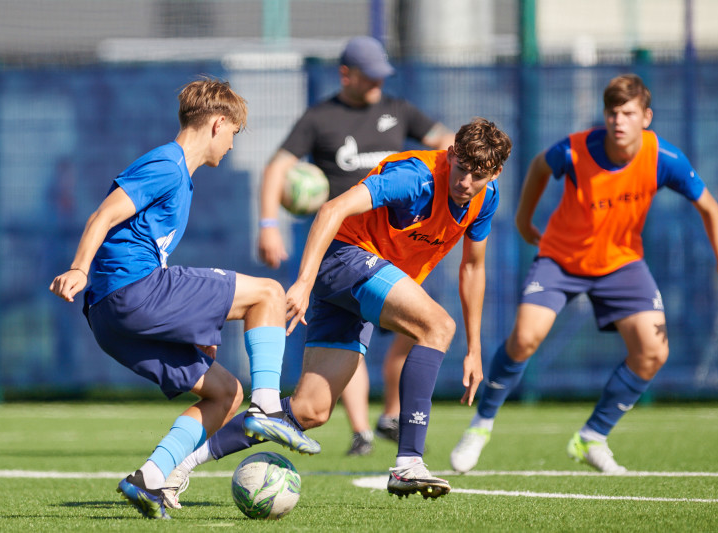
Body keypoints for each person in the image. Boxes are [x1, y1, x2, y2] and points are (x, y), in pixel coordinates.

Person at [164, 117, 511, 504]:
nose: (465, 182)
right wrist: (304, 281)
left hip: (360, 281)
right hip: (345, 260)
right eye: (461, 169)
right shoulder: (416, 176)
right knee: (438, 327)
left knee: (309, 410)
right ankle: (409, 462)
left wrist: (475, 348)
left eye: (477, 175)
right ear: (451, 155)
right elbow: (331, 210)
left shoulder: (485, 197)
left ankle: (174, 468)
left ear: (495, 174)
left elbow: (473, 267)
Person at [449, 74, 718, 475]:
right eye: (612, 112)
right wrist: (524, 222)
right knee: (525, 338)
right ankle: (481, 425)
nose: (618, 120)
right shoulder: (577, 150)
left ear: (646, 117)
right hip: (561, 257)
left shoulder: (665, 158)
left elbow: (710, 208)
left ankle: (592, 437)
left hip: (621, 263)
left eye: (628, 112)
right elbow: (540, 165)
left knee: (653, 351)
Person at [49, 77, 319, 520]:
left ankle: (151, 478)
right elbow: (104, 213)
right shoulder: (168, 165)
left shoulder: (182, 177)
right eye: (234, 132)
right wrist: (80, 266)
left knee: (224, 391)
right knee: (268, 292)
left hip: (110, 321)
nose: (232, 144)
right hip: (133, 291)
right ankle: (269, 405)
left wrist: (194, 328)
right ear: (217, 124)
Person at [258, 35, 456, 456]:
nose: (378, 85)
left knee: (422, 326)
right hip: (347, 248)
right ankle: (363, 429)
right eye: (370, 77)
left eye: (383, 76)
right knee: (360, 336)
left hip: (398, 249)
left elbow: (447, 141)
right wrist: (268, 223)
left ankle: (388, 414)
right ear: (346, 74)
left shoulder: (398, 110)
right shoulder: (320, 118)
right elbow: (277, 168)